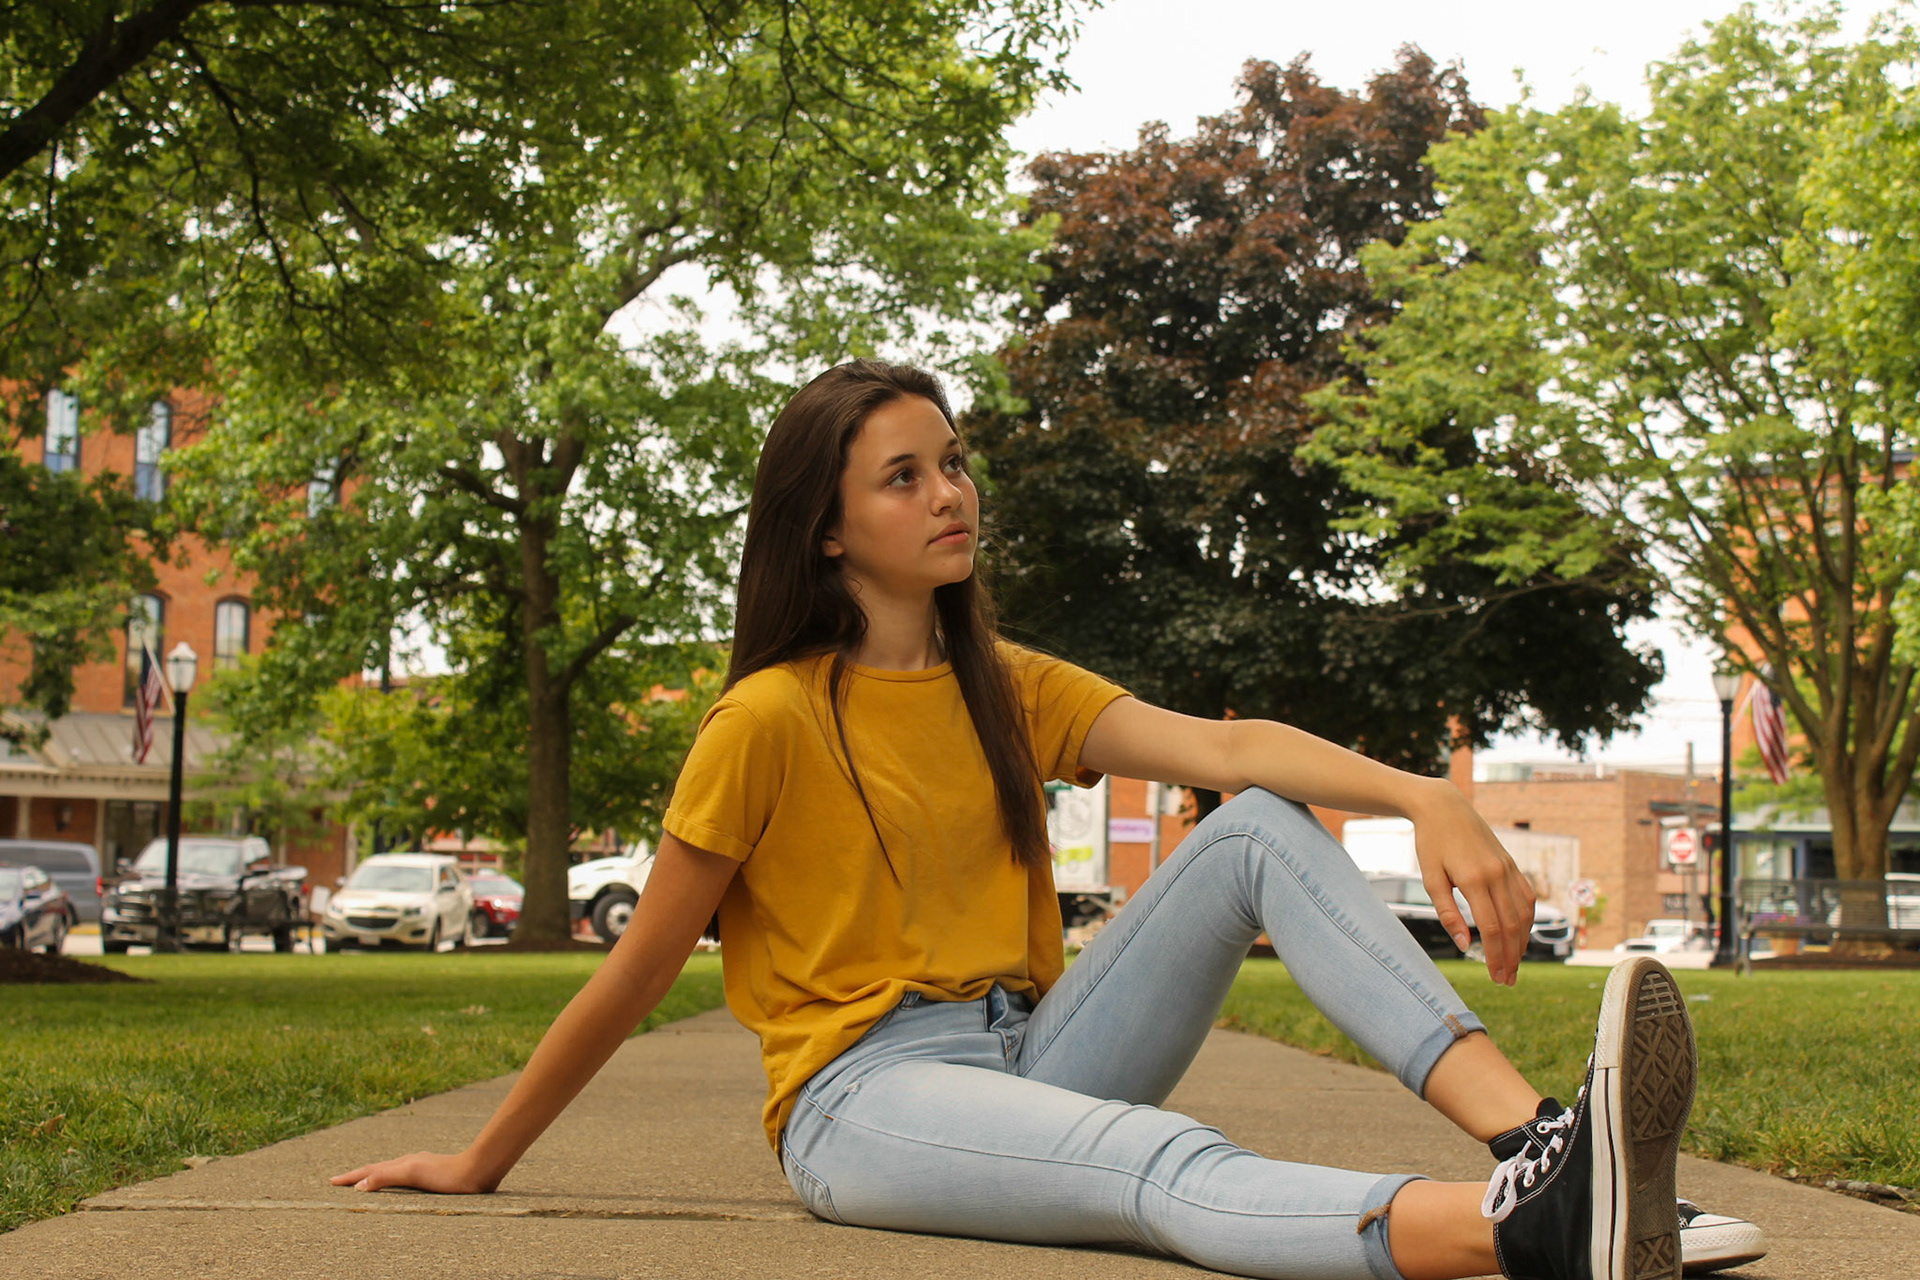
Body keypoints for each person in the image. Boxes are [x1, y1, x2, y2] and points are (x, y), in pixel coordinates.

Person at [334, 360, 1763, 1280]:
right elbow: (636, 971)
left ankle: (1545, 1148)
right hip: (862, 1101)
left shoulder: (1002, 686)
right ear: (828, 529)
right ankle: (1535, 1233)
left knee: (1254, 826)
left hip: (1034, 1041)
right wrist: (480, 1161)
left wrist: (1424, 791)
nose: (949, 493)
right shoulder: (761, 723)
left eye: (952, 462)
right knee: (1156, 1165)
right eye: (904, 477)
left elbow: (1226, 750)